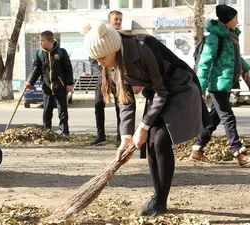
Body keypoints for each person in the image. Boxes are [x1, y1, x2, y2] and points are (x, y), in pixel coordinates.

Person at [80, 21, 203, 216]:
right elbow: (126, 101)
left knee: (160, 139)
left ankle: (161, 201)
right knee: (151, 143)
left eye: (102, 57)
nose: (99, 62)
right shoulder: (112, 65)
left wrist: (143, 126)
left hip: (179, 89)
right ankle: (157, 195)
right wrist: (126, 137)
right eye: (96, 59)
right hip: (158, 94)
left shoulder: (143, 48)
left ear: (113, 49)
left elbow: (162, 91)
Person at [189, 4, 250, 167]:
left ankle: (197, 149)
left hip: (225, 83)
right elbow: (204, 64)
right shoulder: (214, 38)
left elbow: (235, 56)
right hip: (217, 84)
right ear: (228, 20)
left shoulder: (229, 36)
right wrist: (201, 88)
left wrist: (246, 67)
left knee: (213, 119)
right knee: (228, 117)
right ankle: (239, 152)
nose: (237, 21)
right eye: (235, 18)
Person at [26, 30, 74, 139]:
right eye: (40, 41)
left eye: (42, 41)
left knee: (62, 111)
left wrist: (69, 83)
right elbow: (36, 70)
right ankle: (46, 132)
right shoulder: (39, 54)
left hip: (60, 87)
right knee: (47, 111)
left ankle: (64, 133)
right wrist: (30, 82)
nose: (40, 43)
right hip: (47, 88)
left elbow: (68, 69)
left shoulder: (61, 52)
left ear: (50, 41)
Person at [90, 10, 125, 147]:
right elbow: (92, 56)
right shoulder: (100, 36)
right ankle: (101, 136)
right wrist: (101, 71)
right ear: (109, 20)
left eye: (120, 19)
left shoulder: (123, 38)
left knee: (120, 105)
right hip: (103, 75)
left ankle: (119, 137)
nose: (118, 22)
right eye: (116, 19)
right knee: (98, 104)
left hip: (118, 75)